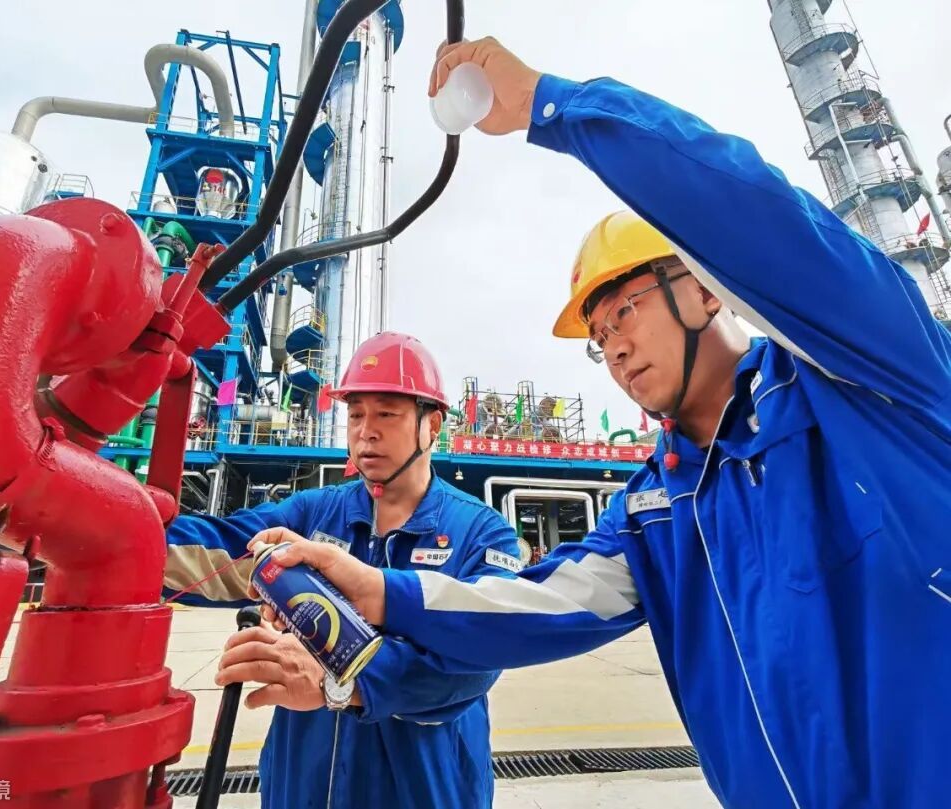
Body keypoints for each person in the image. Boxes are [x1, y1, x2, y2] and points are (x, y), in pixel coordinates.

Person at [256, 39, 951, 809]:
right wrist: (383, 591)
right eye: (598, 335)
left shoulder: (863, 382)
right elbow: (542, 601)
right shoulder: (660, 508)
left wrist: (552, 106)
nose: (613, 346)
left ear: (706, 288)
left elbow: (755, 220)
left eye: (626, 308)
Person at [164, 331, 522, 809]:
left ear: (431, 425)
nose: (365, 431)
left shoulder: (480, 532)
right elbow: (219, 551)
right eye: (355, 414)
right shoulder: (314, 515)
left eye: (386, 414)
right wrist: (113, 530)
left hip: (424, 790)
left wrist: (341, 678)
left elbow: (475, 662)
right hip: (304, 787)